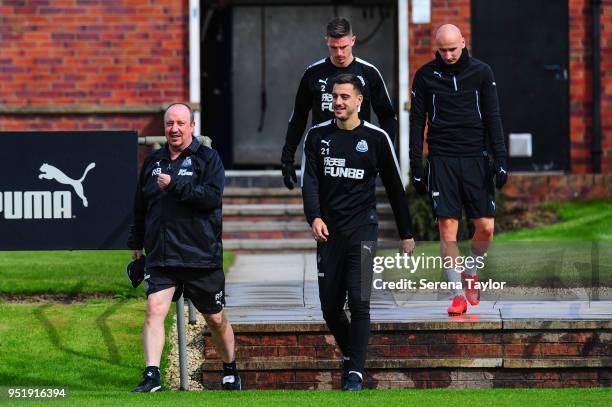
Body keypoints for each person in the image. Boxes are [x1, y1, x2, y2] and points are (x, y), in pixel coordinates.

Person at [302, 73, 415, 391]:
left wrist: (406, 232)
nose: (337, 102)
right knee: (330, 308)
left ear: (359, 101)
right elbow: (309, 181)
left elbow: (394, 187)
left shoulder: (377, 138)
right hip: (328, 232)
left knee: (360, 300)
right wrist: (314, 216)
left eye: (344, 97)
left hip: (363, 229)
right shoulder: (317, 136)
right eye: (335, 97)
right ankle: (353, 357)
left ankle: (355, 373)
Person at [127, 103, 241, 392]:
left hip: (200, 256)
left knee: (215, 319)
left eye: (180, 123)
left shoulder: (208, 159)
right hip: (162, 256)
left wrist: (175, 185)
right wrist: (136, 245)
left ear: (192, 126)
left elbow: (211, 198)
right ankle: (151, 376)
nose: (174, 129)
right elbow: (141, 207)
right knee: (154, 310)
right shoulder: (153, 161)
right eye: (169, 124)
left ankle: (230, 371)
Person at [408, 24, 508, 316]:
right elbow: (417, 123)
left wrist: (500, 159)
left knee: (486, 227)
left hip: (476, 158)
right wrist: (417, 166)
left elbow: (493, 117)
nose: (449, 55)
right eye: (443, 50)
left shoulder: (482, 72)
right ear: (436, 49)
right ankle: (456, 295)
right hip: (442, 159)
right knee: (447, 230)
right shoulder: (426, 76)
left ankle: (471, 269)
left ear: (463, 43)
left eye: (453, 48)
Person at [281, 17, 397, 190]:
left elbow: (387, 116)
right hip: (323, 153)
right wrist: (287, 157)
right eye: (334, 48)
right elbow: (298, 116)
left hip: (358, 153)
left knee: (357, 209)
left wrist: (382, 154)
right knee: (320, 212)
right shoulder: (313, 73)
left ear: (353, 41)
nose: (339, 53)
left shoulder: (368, 73)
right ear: (326, 41)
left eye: (343, 47)